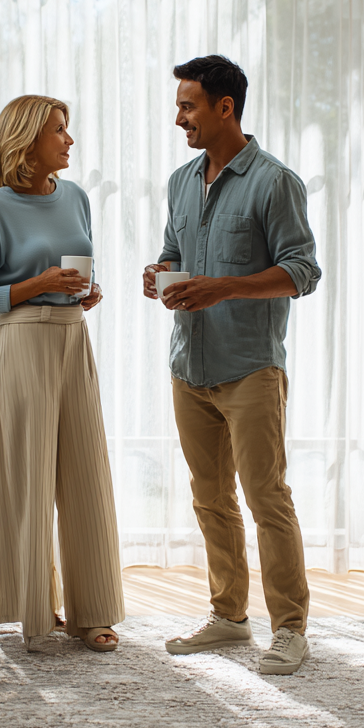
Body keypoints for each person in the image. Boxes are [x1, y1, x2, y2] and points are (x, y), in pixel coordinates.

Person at [143, 55, 321, 675]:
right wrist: (157, 274)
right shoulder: (180, 181)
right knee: (210, 499)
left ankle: (291, 629)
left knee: (267, 498)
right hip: (188, 365)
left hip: (250, 367)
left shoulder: (275, 182)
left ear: (225, 107)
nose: (179, 117)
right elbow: (174, 251)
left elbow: (302, 272)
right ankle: (228, 616)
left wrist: (225, 288)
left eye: (188, 105)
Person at [0, 94, 126, 652]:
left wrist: (87, 291)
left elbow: (82, 267)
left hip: (74, 338)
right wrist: (38, 283)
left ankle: (93, 613)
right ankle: (36, 612)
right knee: (28, 480)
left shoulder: (76, 197)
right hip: (23, 341)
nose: (69, 140)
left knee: (87, 478)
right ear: (26, 140)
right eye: (59, 130)